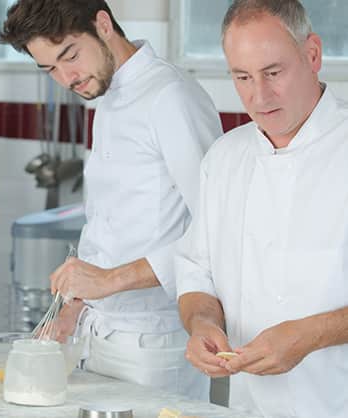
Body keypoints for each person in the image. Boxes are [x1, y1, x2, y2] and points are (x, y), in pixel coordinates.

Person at [0, 0, 223, 399]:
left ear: (103, 24)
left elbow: (218, 231)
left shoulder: (170, 96)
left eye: (69, 55)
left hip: (153, 345)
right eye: (49, 68)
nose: (66, 77)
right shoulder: (106, 95)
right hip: (99, 336)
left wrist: (108, 280)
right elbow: (113, 224)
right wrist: (74, 306)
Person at [176, 0, 348, 416]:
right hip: (251, 406)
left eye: (273, 72)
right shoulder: (224, 158)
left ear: (312, 54)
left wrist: (311, 334)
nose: (259, 95)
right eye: (242, 77)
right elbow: (196, 271)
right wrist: (202, 323)